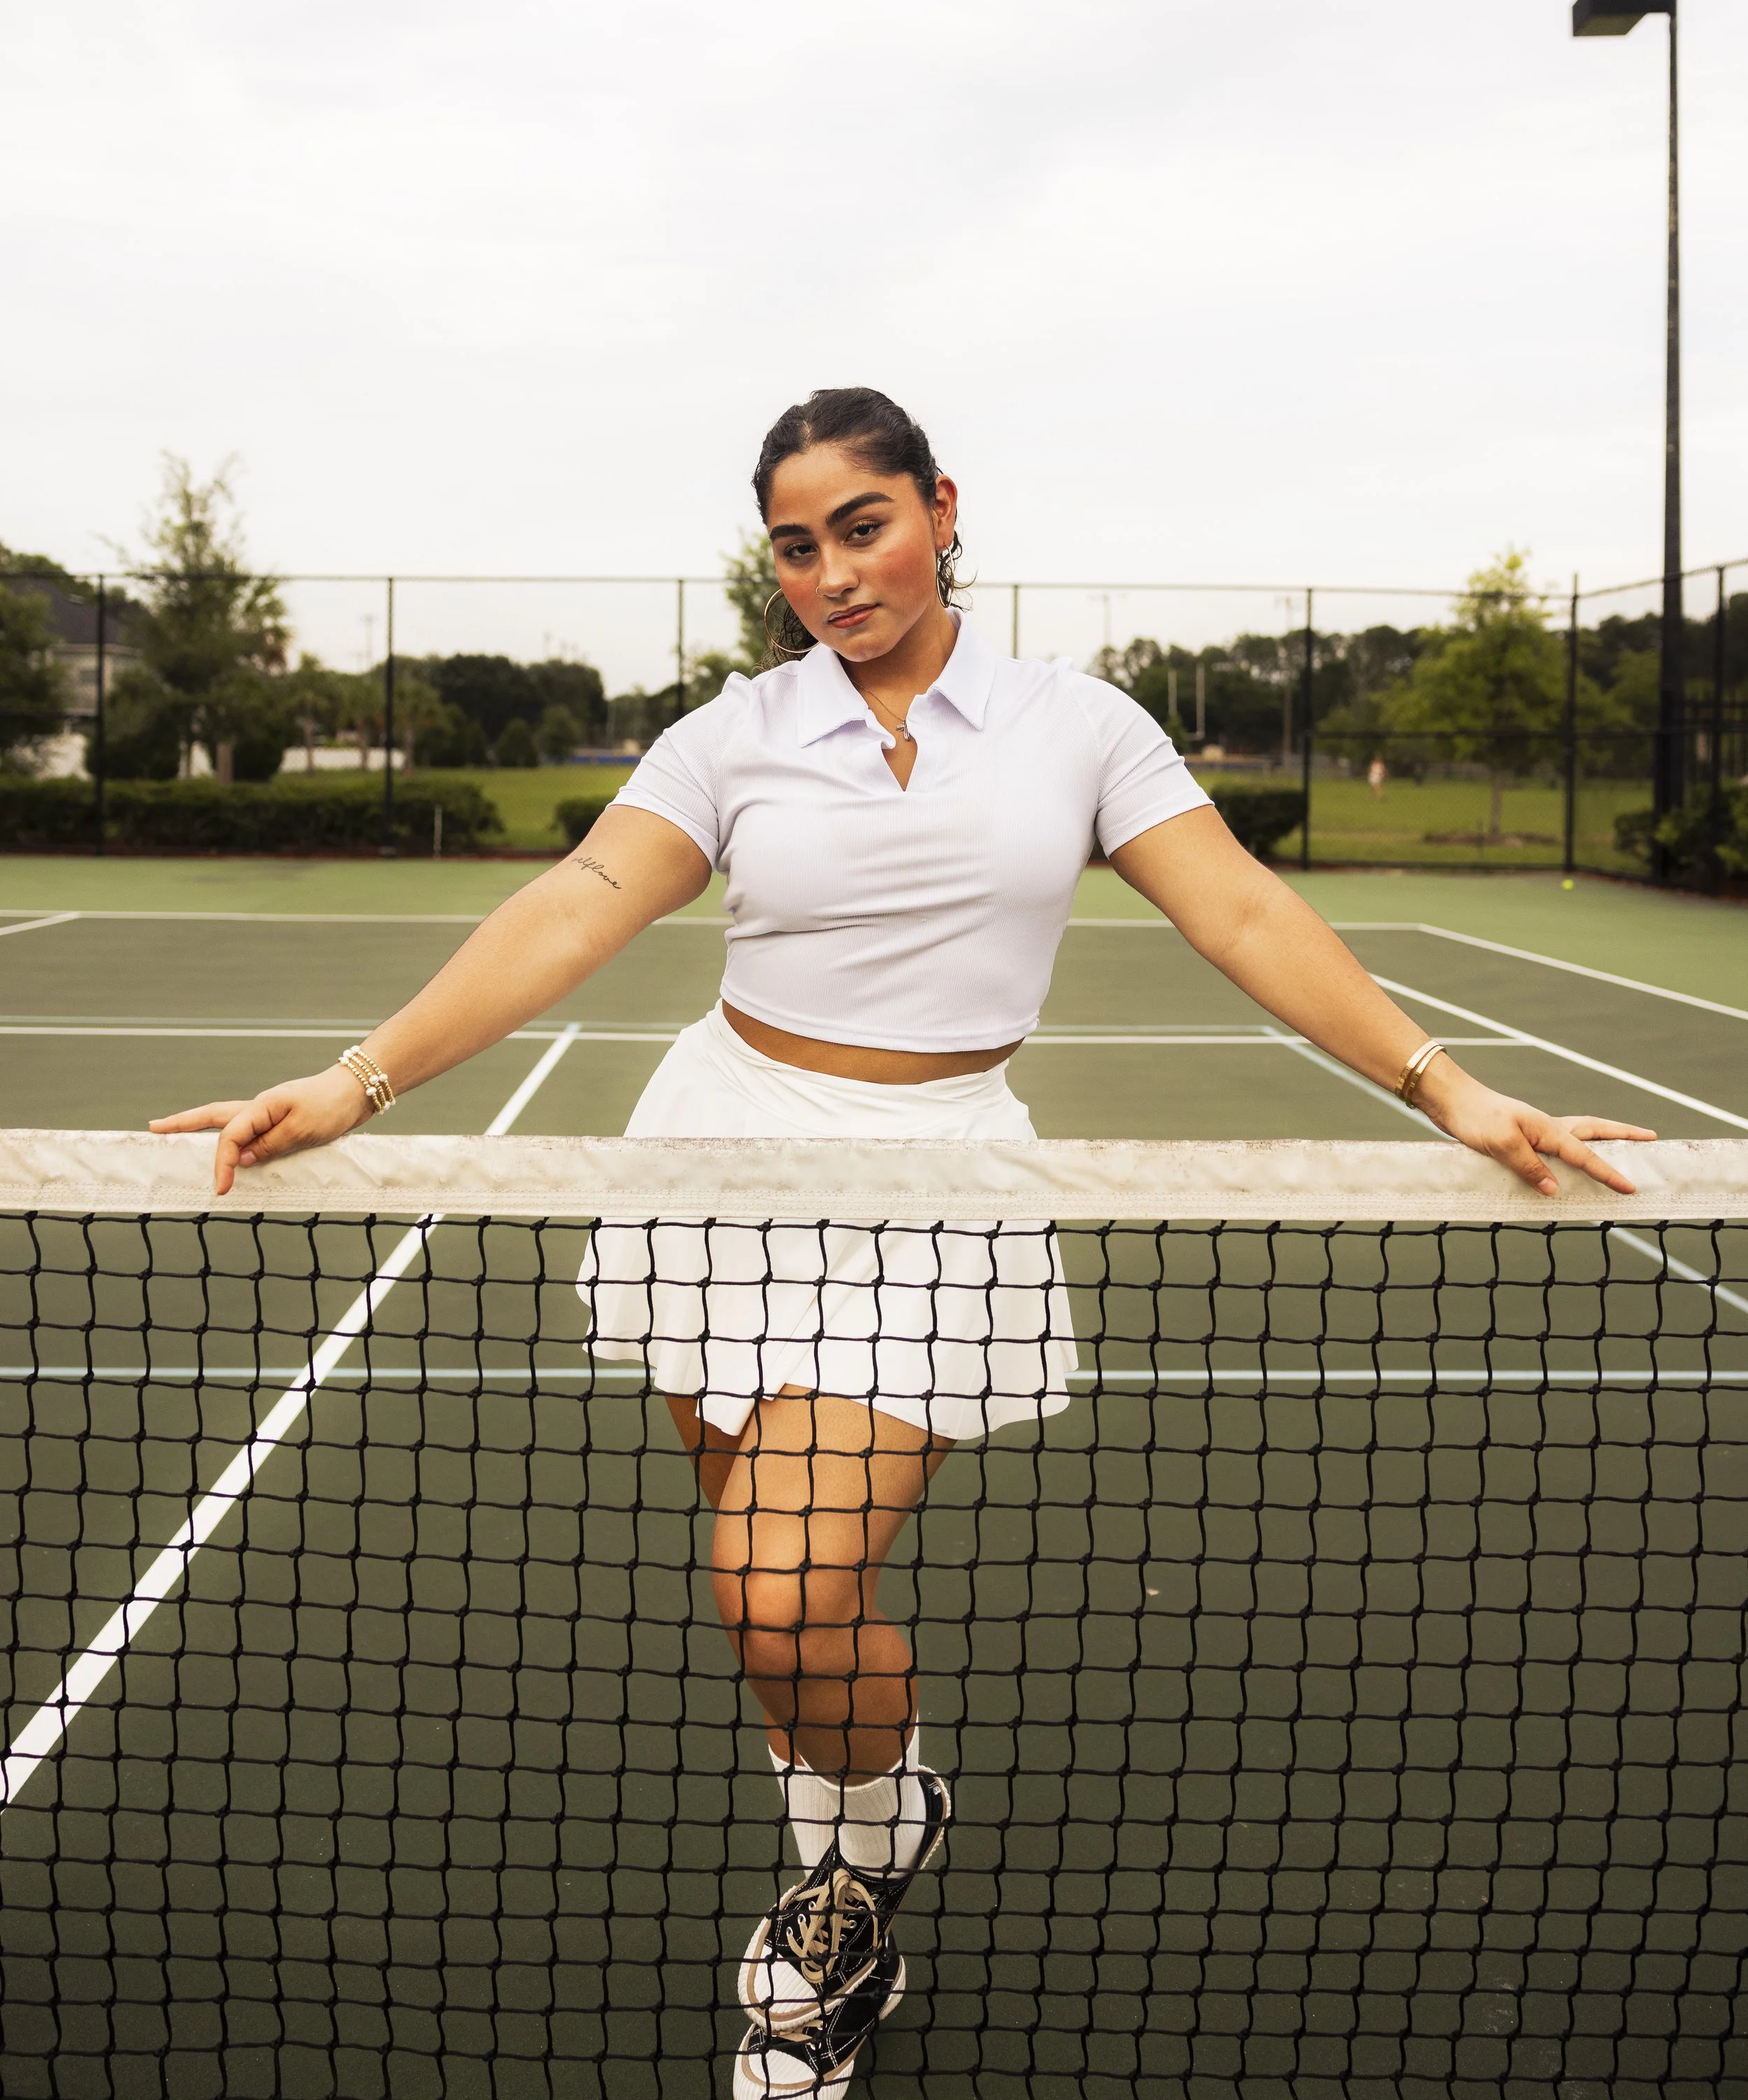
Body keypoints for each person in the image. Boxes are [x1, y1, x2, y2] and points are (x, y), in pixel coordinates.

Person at [154, 387, 1653, 2099]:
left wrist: (1439, 1084)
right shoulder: (735, 730)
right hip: (718, 1153)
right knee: (773, 1596)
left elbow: (1236, 899)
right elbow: (576, 896)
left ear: (940, 507)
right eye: (793, 546)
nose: (829, 574)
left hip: (937, 1181)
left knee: (779, 1583)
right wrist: (359, 1079)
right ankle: (855, 1831)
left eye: (858, 526)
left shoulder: (1076, 728)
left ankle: (856, 1872)